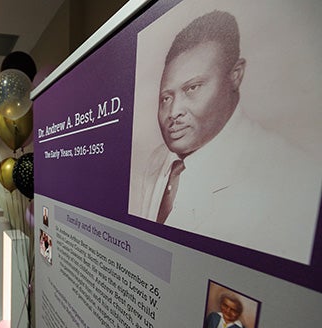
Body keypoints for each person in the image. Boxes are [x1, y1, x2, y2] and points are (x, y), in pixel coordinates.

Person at [135, 10, 321, 264]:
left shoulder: (293, 181)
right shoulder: (158, 160)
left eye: (192, 88)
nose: (173, 111)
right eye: (166, 97)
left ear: (235, 75)